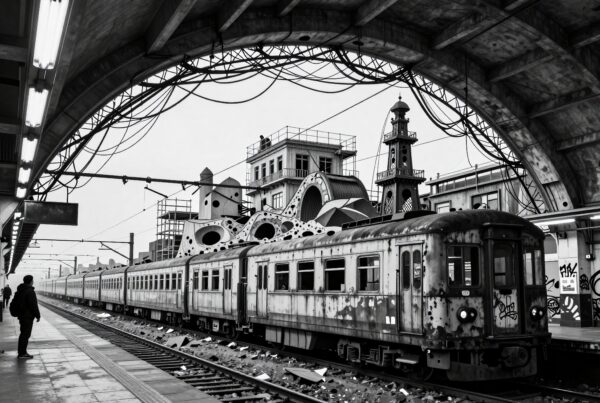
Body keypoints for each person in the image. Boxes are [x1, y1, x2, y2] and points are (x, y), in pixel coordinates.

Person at [13, 275, 40, 359]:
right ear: (30, 281)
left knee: (23, 334)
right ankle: (22, 353)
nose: (33, 282)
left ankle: (21, 352)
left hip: (21, 315)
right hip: (27, 316)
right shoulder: (30, 291)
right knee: (25, 335)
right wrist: (38, 315)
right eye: (33, 280)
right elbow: (33, 305)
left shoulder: (20, 290)